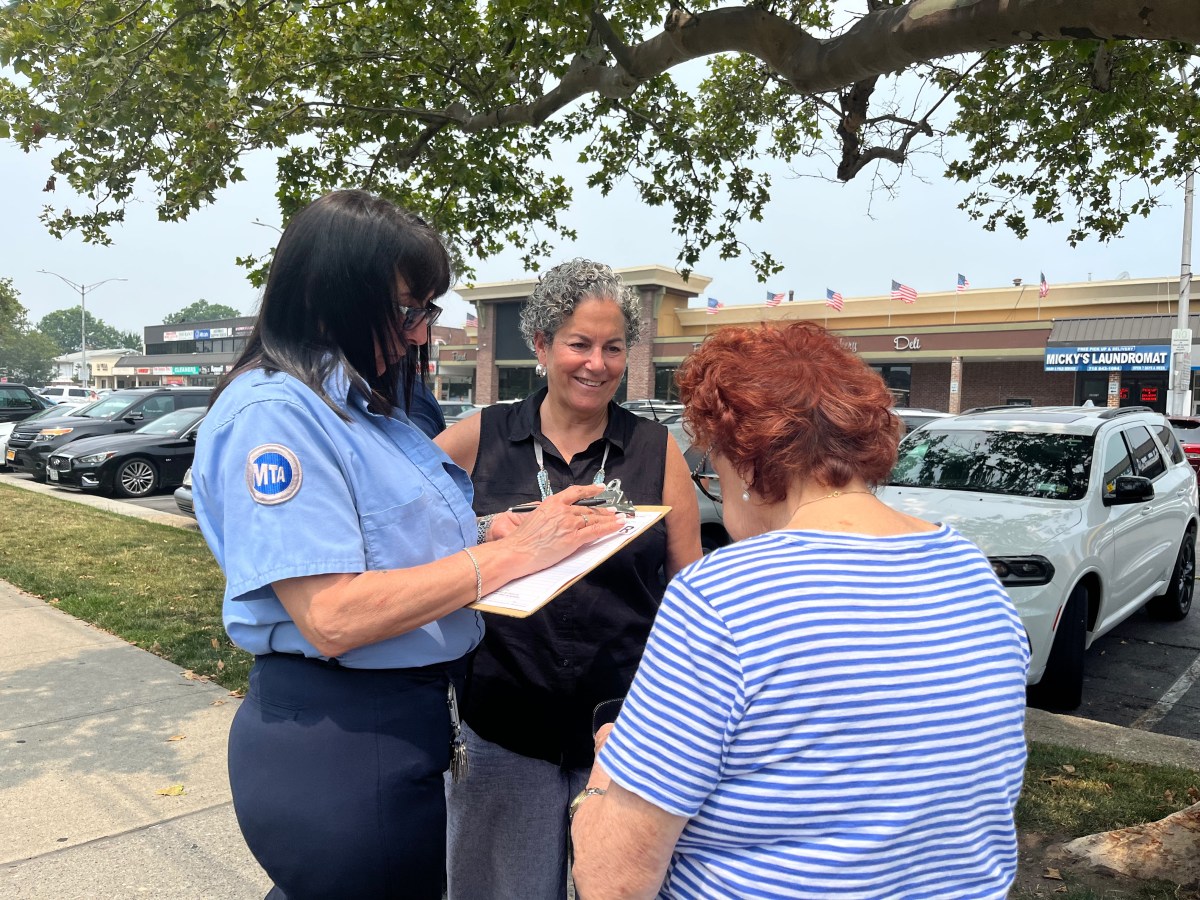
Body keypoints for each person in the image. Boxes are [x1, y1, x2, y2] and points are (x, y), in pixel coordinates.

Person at [191, 190, 622, 900]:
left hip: (397, 720)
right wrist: (510, 558)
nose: (420, 334)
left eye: (427, 310)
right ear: (328, 294)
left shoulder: (361, 408)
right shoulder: (278, 415)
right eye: (405, 310)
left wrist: (494, 531)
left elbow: (380, 546)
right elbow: (332, 615)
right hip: (345, 733)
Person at [571, 321, 1031, 899]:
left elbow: (613, 881)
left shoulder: (724, 598)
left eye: (712, 468)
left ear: (749, 462)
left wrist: (603, 782)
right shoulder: (970, 572)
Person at [437, 258, 702, 899]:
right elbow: (406, 539)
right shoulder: (481, 436)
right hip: (502, 727)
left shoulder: (656, 449)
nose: (597, 363)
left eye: (613, 347)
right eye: (579, 344)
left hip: (623, 737)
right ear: (541, 345)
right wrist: (485, 533)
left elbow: (691, 589)